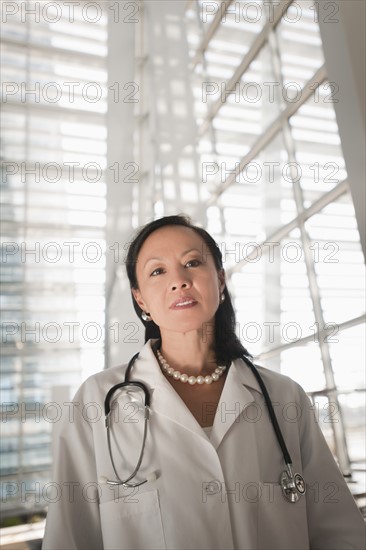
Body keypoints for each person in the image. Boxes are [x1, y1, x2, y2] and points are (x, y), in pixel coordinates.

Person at [42, 214, 365, 550]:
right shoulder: (98, 401)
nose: (179, 280)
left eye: (192, 263)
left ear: (220, 280)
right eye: (157, 271)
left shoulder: (283, 397)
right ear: (141, 300)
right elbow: (69, 537)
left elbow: (339, 533)